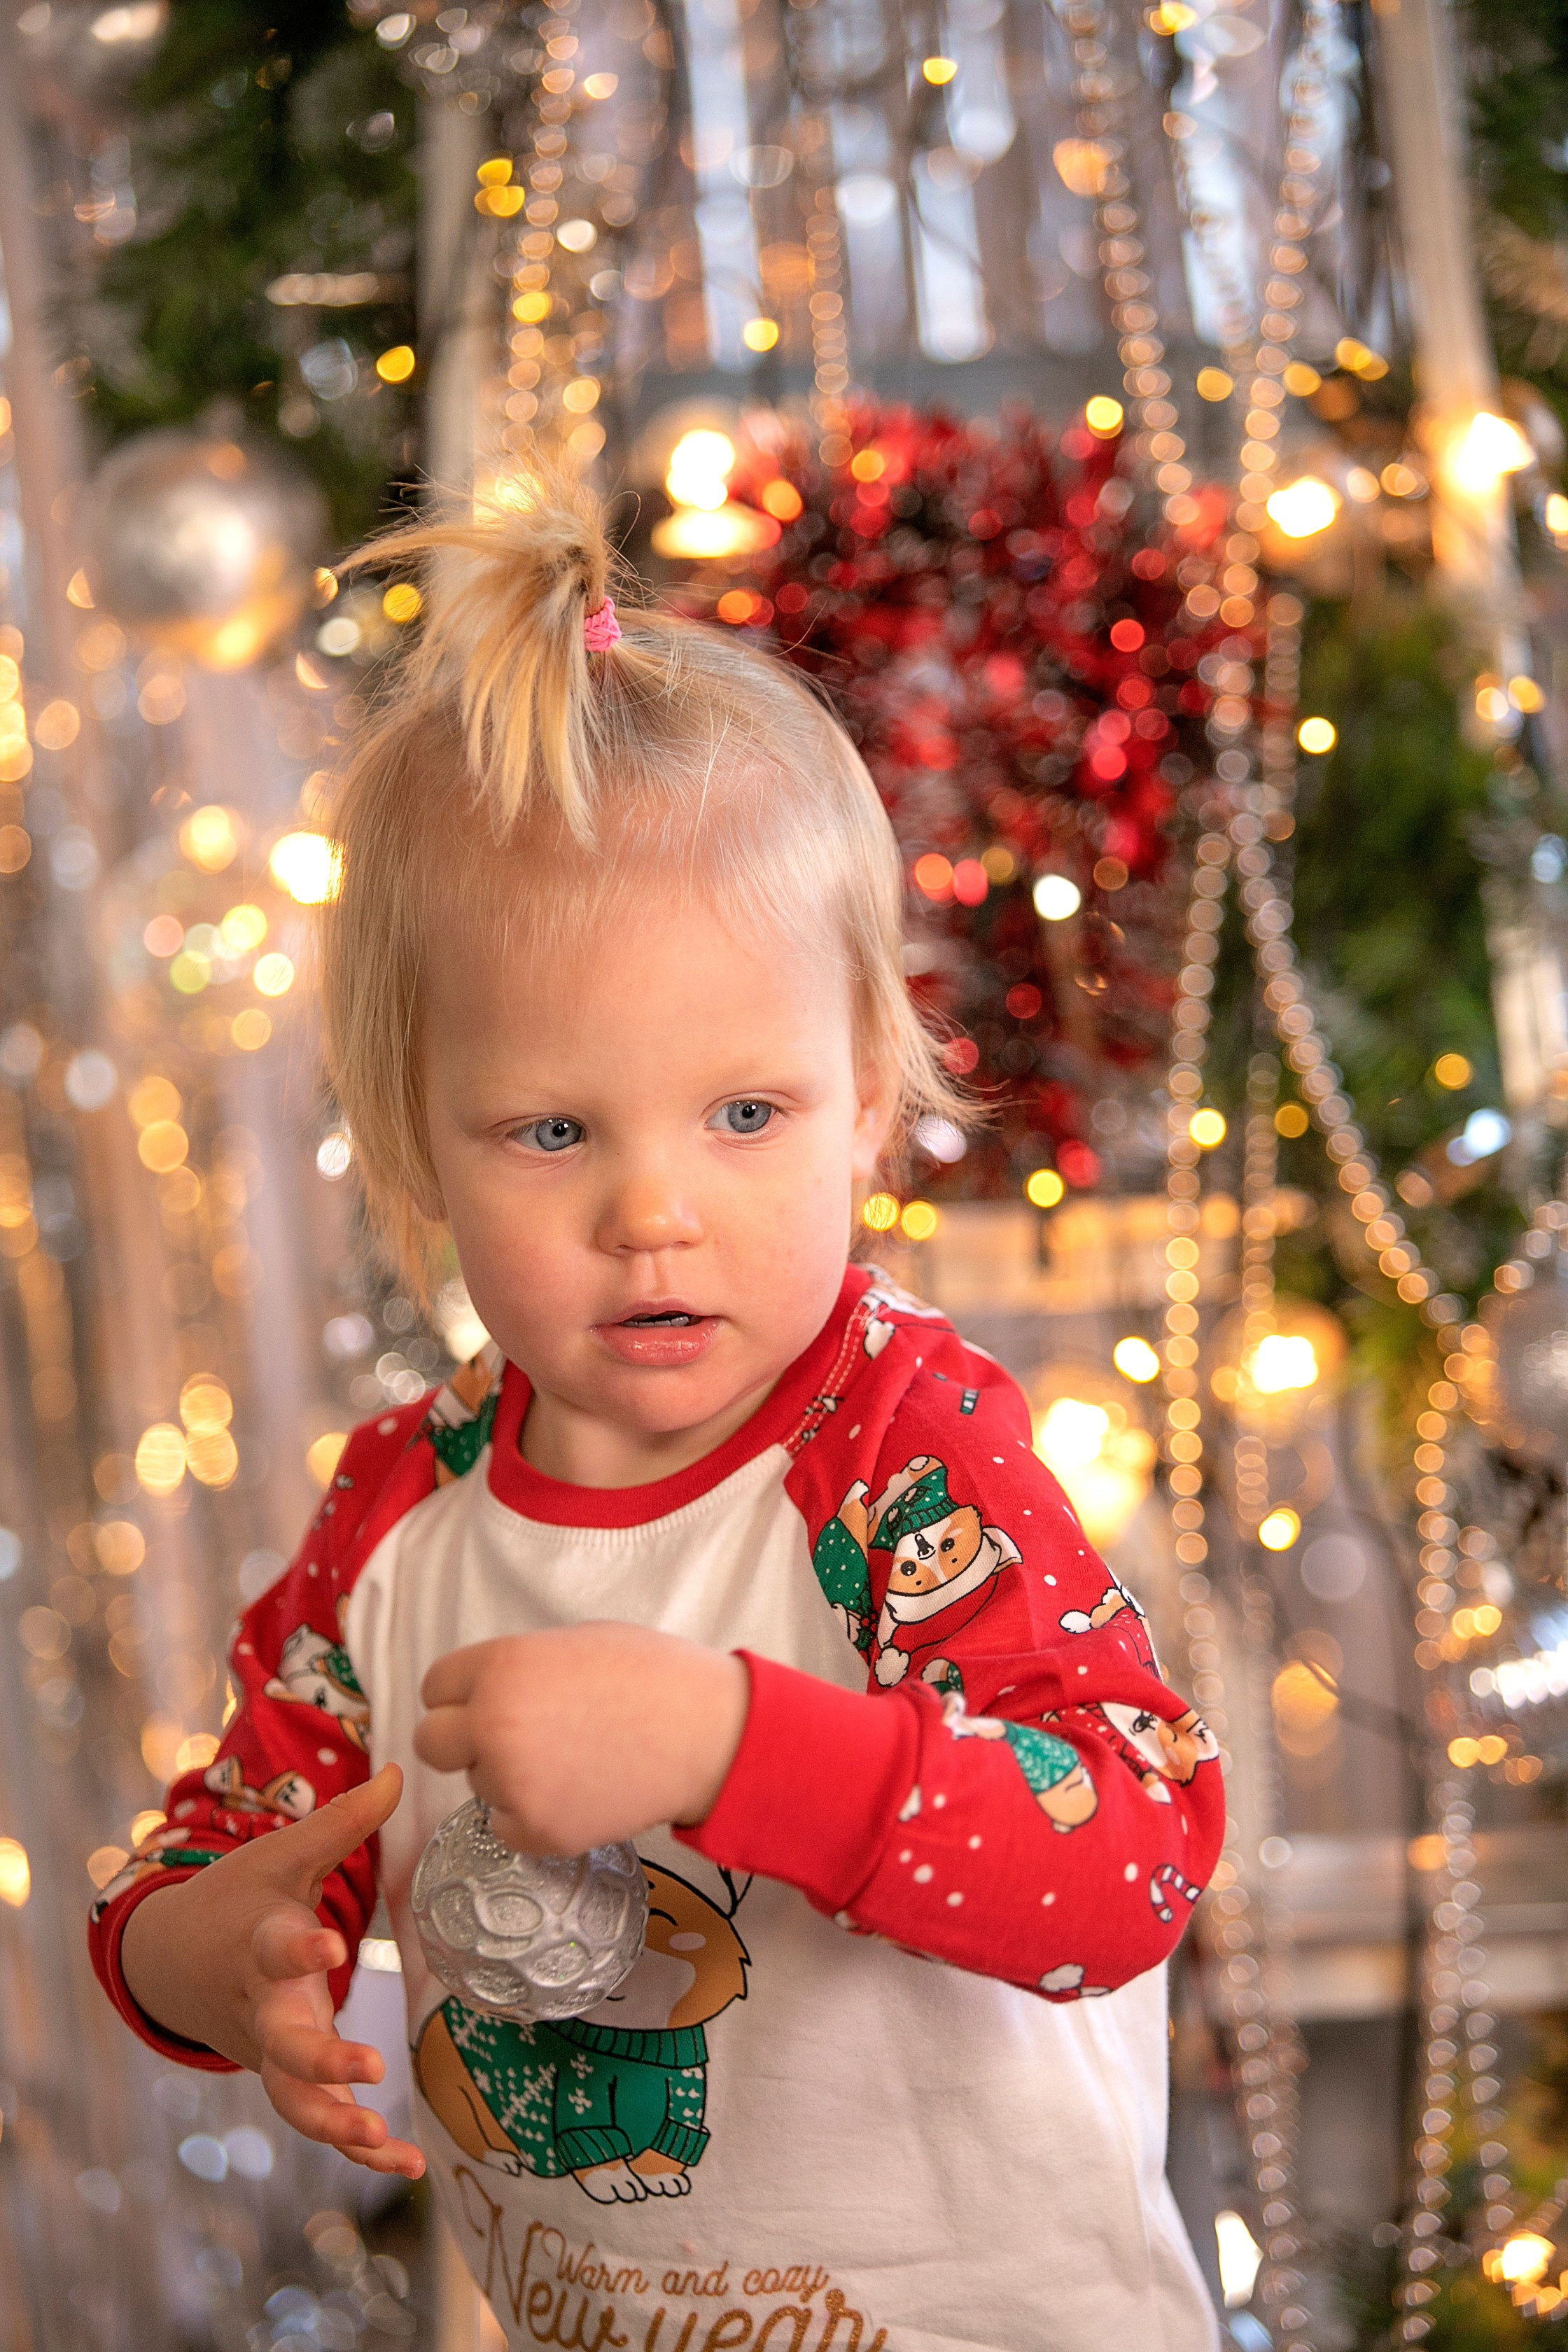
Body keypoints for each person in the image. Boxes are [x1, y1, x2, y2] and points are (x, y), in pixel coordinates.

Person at [90, 470, 1224, 2351]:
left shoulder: (897, 1459)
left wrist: (728, 1746)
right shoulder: (404, 1514)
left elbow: (1127, 1856)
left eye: (747, 1113)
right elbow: (232, 1832)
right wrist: (193, 1955)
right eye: (552, 1130)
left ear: (870, 1093)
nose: (654, 1212)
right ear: (416, 1151)